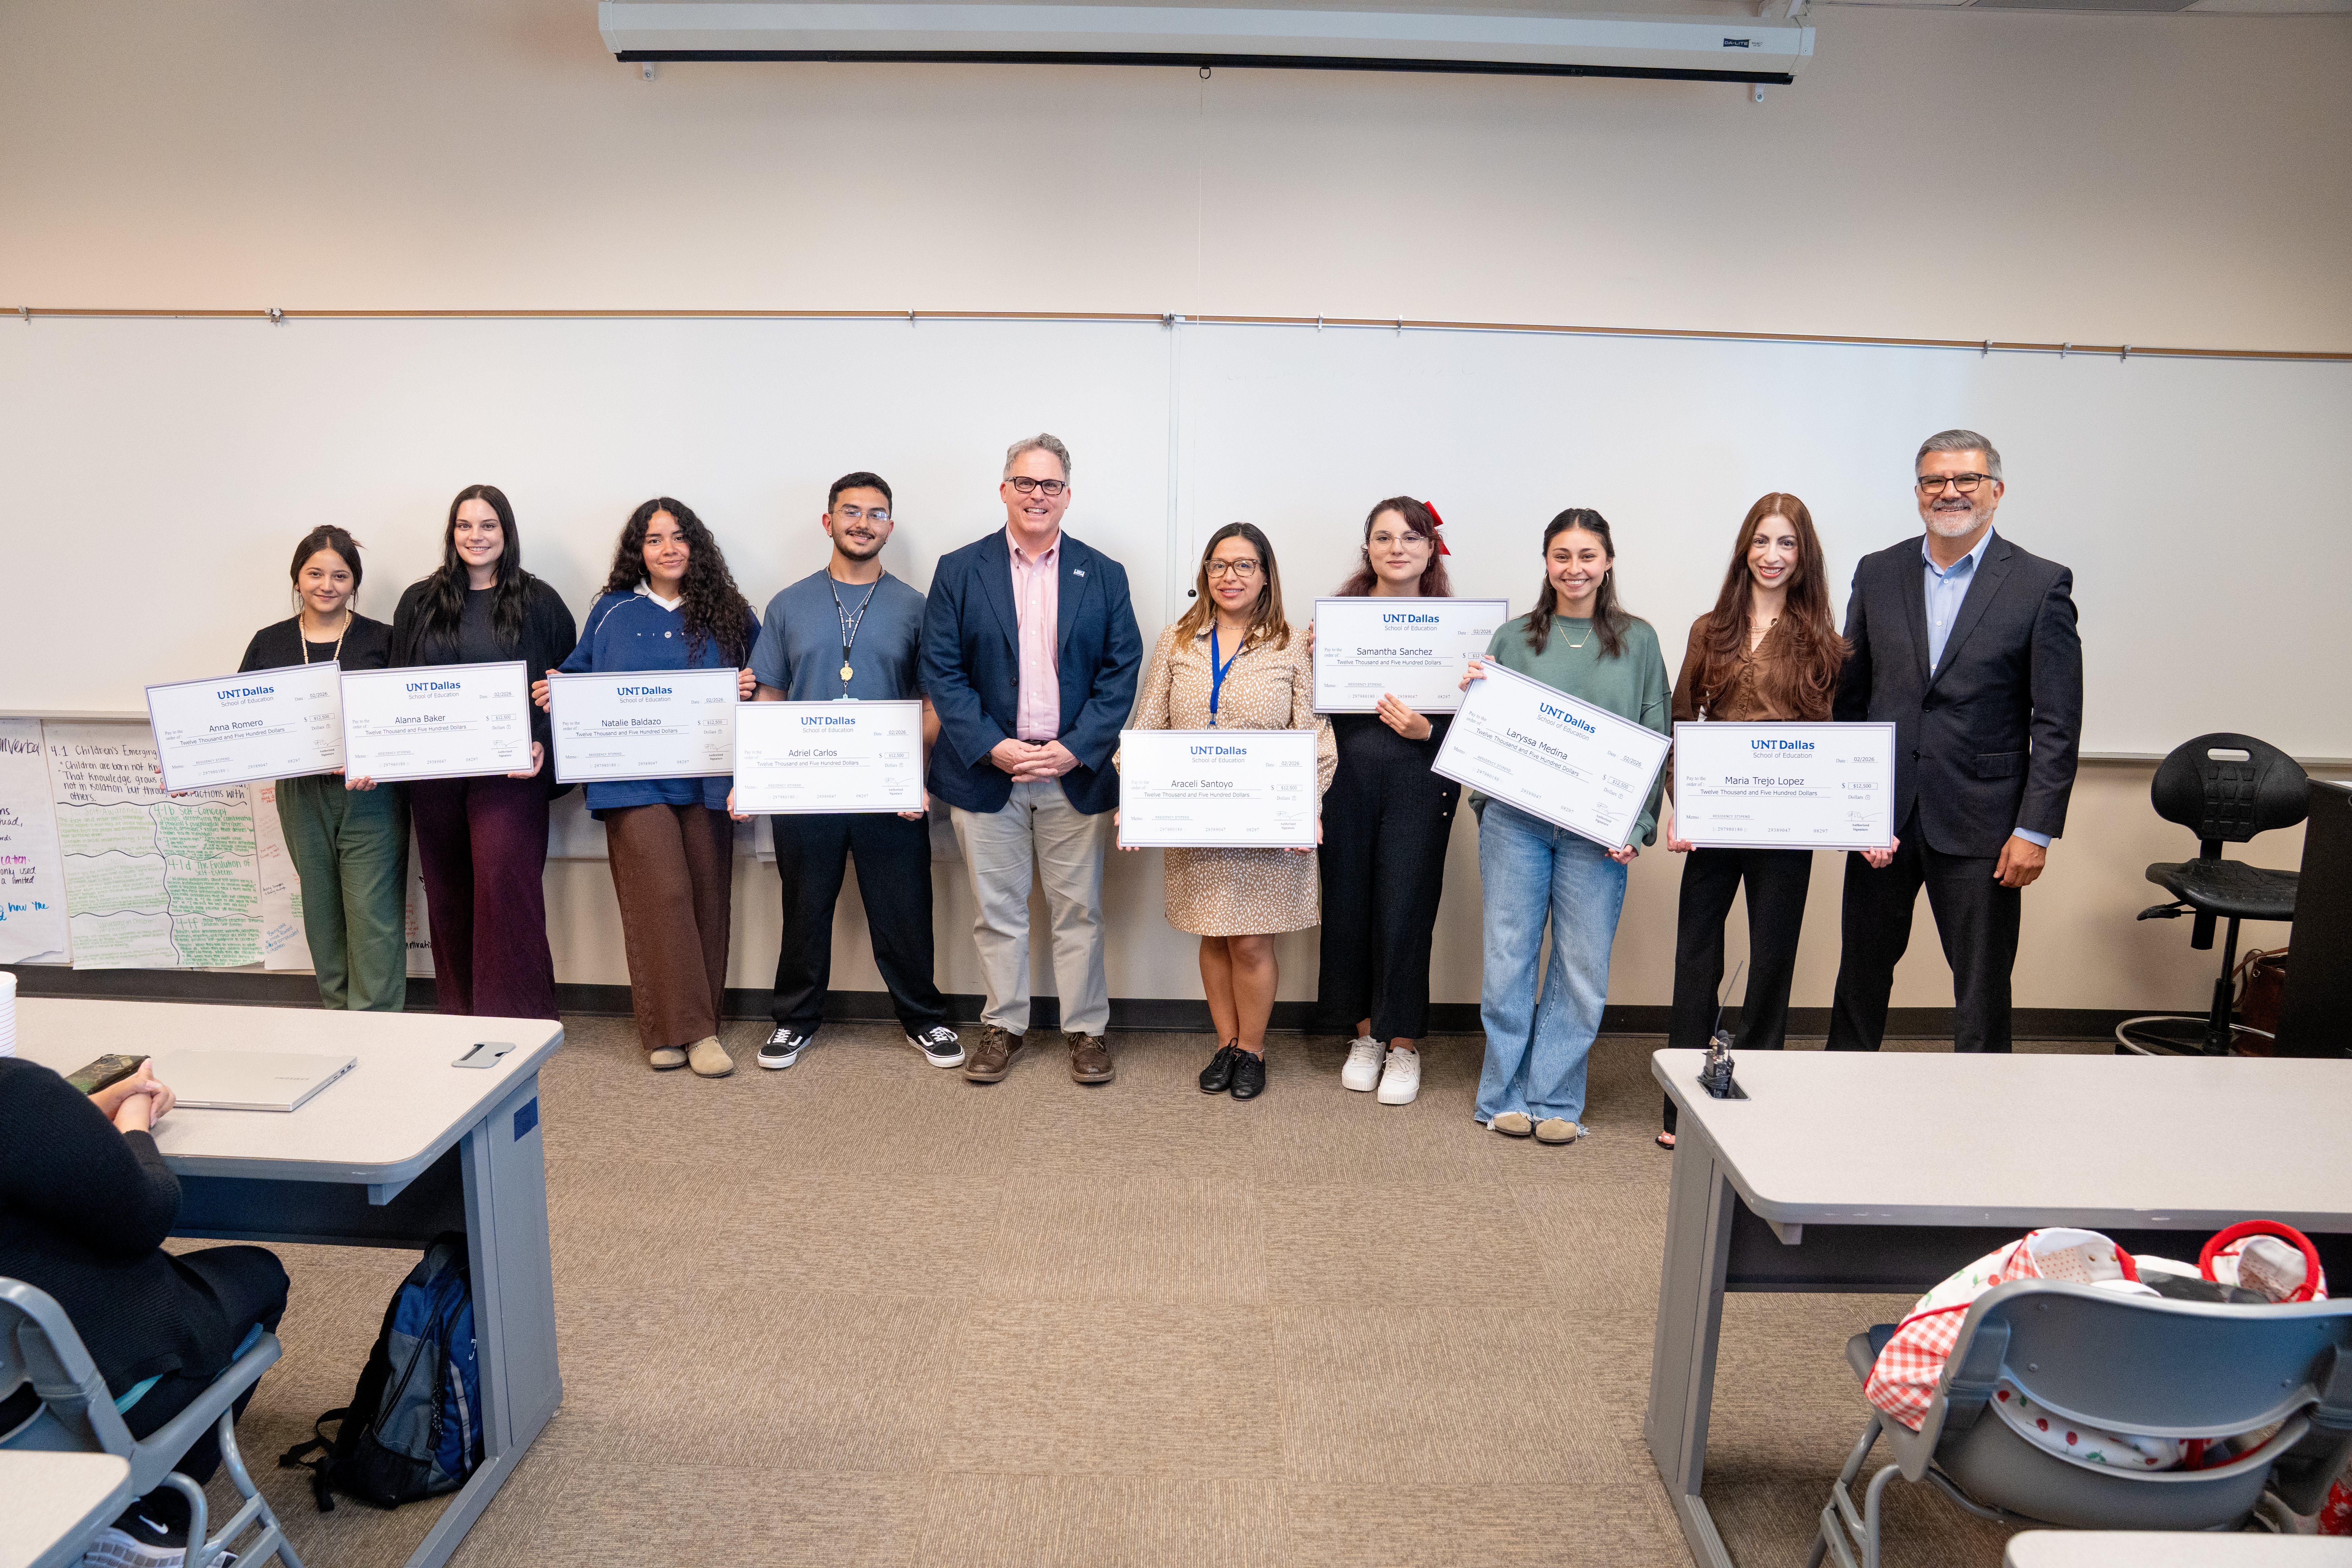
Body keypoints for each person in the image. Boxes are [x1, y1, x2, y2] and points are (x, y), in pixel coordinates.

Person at [1827, 430, 2082, 1055]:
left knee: (1981, 985)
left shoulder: (2039, 583)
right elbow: (1850, 699)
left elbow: (2056, 720)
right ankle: (1836, 1099)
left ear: (1995, 490)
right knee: (1860, 974)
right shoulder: (1878, 572)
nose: (1950, 493)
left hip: (1985, 824)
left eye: (1965, 480)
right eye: (1934, 481)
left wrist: (2035, 830)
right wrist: (1850, 808)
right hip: (1882, 817)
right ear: (1918, 494)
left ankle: (1984, 1116)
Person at [0, 1056, 289, 1562]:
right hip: (59, 1413)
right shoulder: (12, 1090)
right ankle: (152, 1522)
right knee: (259, 1274)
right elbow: (144, 1213)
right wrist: (133, 1120)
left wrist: (79, 1117)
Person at [921, 433, 1142, 1086]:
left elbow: (1120, 672)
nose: (1037, 495)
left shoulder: (1103, 573)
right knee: (998, 910)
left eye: (1050, 485)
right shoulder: (960, 569)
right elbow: (942, 668)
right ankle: (1005, 1023)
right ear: (1005, 489)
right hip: (986, 770)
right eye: (1026, 482)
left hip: (1073, 773)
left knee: (1080, 910)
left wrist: (1074, 749)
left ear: (1067, 496)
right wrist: (993, 743)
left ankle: (1087, 1030)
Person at [736, 471, 962, 1074]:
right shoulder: (788, 604)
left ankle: (925, 1019)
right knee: (804, 909)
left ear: (890, 525)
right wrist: (758, 776)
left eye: (877, 513)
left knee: (905, 910)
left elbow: (932, 702)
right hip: (808, 792)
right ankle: (794, 1020)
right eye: (851, 511)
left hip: (889, 793)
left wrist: (912, 775)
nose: (863, 523)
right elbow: (770, 700)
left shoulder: (917, 607)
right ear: (828, 520)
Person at [1461, 509, 1670, 1144]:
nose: (1574, 568)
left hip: (1597, 834)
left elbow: (1656, 734)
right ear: (1546, 563)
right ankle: (1501, 1094)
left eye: (1587, 556)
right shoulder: (1514, 638)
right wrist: (1475, 698)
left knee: (1581, 970)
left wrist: (1639, 825)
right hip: (1516, 826)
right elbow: (1488, 733)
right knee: (1507, 961)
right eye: (1561, 556)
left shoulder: (1640, 640)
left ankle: (1555, 1099)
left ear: (1608, 562)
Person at [535, 499, 756, 1077]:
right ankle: (691, 1033)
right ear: (638, 551)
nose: (668, 548)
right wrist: (560, 688)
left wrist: (752, 685)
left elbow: (766, 682)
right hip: (631, 782)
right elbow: (581, 674)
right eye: (654, 539)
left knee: (707, 897)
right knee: (661, 897)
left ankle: (682, 1027)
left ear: (697, 546)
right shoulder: (612, 612)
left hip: (708, 777)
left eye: (679, 537)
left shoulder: (730, 612)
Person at [1656, 494, 1847, 1148]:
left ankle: (1750, 1098)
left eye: (1787, 544)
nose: (1772, 555)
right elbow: (1684, 721)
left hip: (1786, 830)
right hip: (1716, 820)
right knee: (1697, 955)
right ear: (1745, 548)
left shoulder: (1826, 642)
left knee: (1771, 960)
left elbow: (1833, 743)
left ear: (1804, 556)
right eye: (1762, 541)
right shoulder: (1709, 631)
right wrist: (1683, 805)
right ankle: (1682, 1102)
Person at [1126, 523, 1336, 1101]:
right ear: (1205, 573)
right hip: (1196, 818)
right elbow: (1147, 728)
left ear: (1266, 575)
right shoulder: (1177, 640)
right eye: (1219, 565)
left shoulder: (1293, 642)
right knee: (1215, 936)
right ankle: (1225, 1044)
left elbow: (1317, 736)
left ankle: (1254, 1049)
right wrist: (1137, 799)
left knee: (1250, 942)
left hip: (1267, 821)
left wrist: (1307, 808)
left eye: (1245, 565)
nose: (1230, 577)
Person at [387, 484, 578, 1021]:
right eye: (466, 526)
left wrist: (543, 737)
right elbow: (398, 687)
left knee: (504, 891)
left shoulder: (540, 601)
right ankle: (460, 1018)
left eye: (488, 525)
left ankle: (520, 1023)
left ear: (506, 532)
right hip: (436, 776)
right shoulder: (418, 601)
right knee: (447, 895)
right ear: (452, 533)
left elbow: (566, 687)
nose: (477, 536)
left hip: (512, 775)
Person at [1315, 496, 1460, 1108]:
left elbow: (1490, 729)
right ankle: (1365, 1036)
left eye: (1410, 537)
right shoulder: (1336, 622)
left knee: (1406, 910)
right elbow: (1305, 705)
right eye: (1383, 537)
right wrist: (1312, 656)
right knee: (1349, 905)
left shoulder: (1460, 628)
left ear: (1430, 549)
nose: (1397, 548)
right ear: (1368, 548)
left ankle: (1402, 1045)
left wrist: (1429, 731)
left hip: (1422, 781)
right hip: (1345, 782)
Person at [236, 525, 408, 1012]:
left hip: (370, 794)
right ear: (297, 579)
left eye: (340, 575)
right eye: (315, 574)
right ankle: (339, 1016)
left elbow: (402, 720)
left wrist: (377, 759)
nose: (326, 585)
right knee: (322, 911)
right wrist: (196, 764)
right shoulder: (268, 643)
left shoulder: (383, 640)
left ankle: (377, 1025)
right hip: (299, 794)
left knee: (372, 915)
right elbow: (241, 722)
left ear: (355, 582)